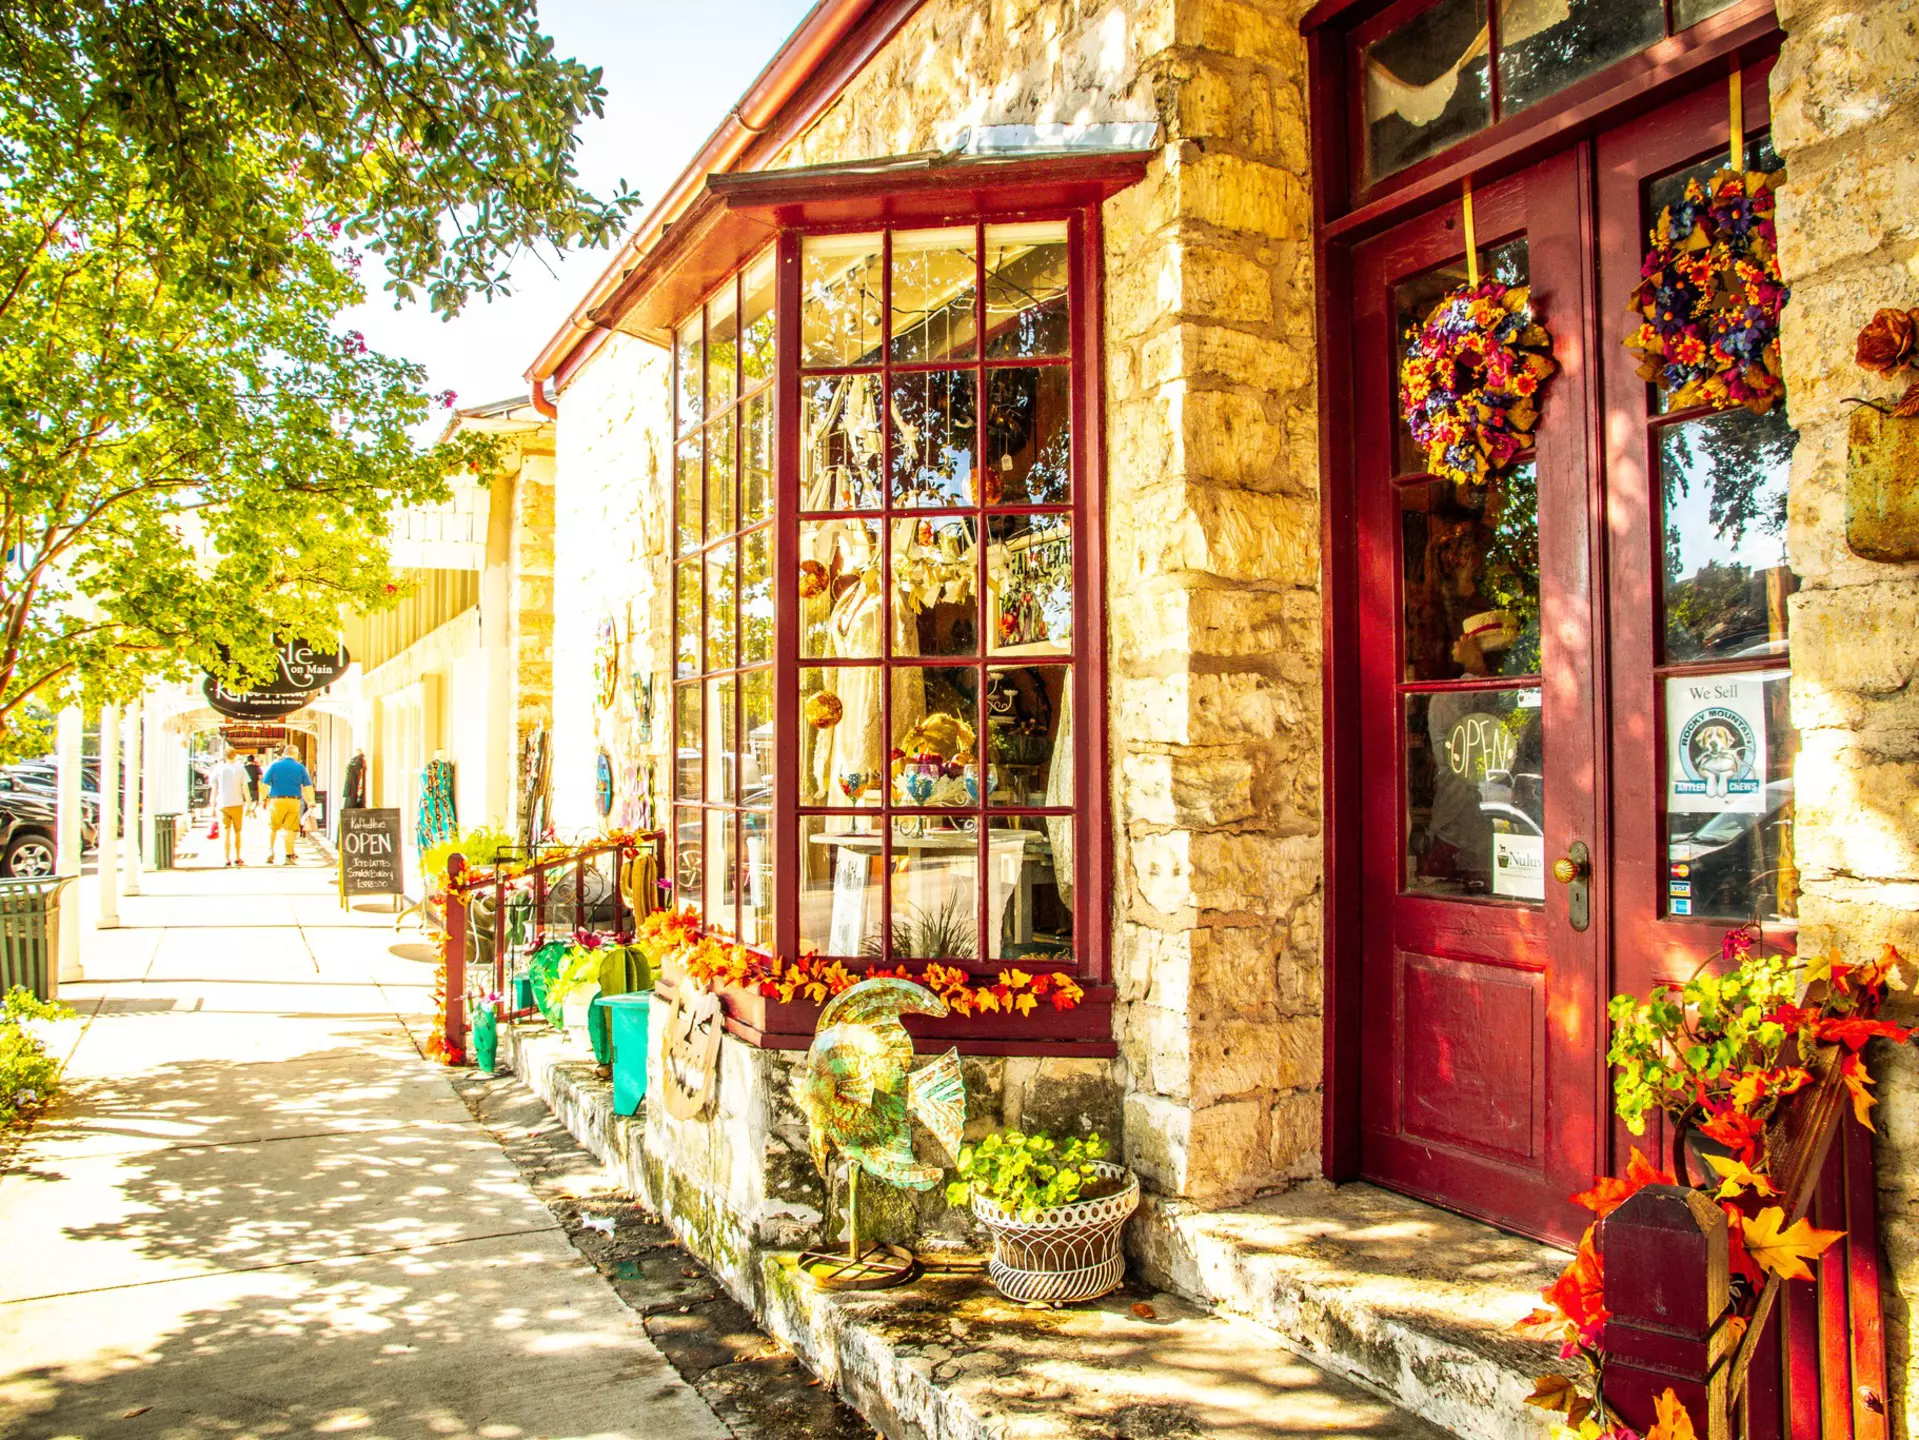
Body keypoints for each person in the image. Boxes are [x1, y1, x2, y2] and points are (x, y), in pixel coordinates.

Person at [262, 747, 314, 865]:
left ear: (284, 754)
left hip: (276, 800)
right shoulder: (300, 767)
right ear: (295, 754)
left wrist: (263, 798)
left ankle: (270, 851)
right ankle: (288, 856)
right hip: (293, 801)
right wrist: (311, 801)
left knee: (273, 827)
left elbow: (264, 784)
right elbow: (307, 787)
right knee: (291, 829)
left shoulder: (275, 766)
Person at [211, 748, 251, 867]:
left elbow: (214, 789)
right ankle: (238, 857)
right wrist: (248, 803)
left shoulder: (218, 769)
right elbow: (245, 788)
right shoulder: (240, 769)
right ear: (235, 756)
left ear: (224, 756)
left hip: (223, 804)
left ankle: (226, 858)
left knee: (226, 832)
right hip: (237, 804)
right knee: (238, 832)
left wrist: (212, 805)